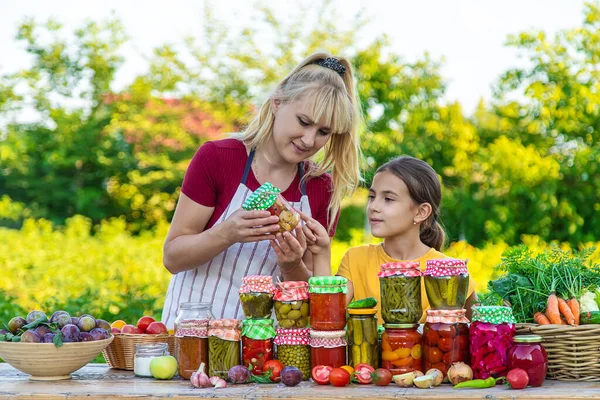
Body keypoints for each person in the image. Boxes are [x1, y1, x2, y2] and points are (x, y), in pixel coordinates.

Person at [160, 53, 362, 327]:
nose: (309, 140)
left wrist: (291, 266)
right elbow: (173, 257)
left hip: (267, 354)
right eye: (303, 122)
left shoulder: (320, 187)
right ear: (277, 102)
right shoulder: (218, 158)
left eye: (323, 132)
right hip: (194, 338)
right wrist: (226, 233)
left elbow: (311, 295)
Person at [308, 155, 478, 323]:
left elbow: (477, 330)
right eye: (372, 197)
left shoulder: (451, 272)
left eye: (388, 199)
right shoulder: (355, 260)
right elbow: (327, 320)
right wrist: (321, 253)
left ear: (421, 212)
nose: (373, 207)